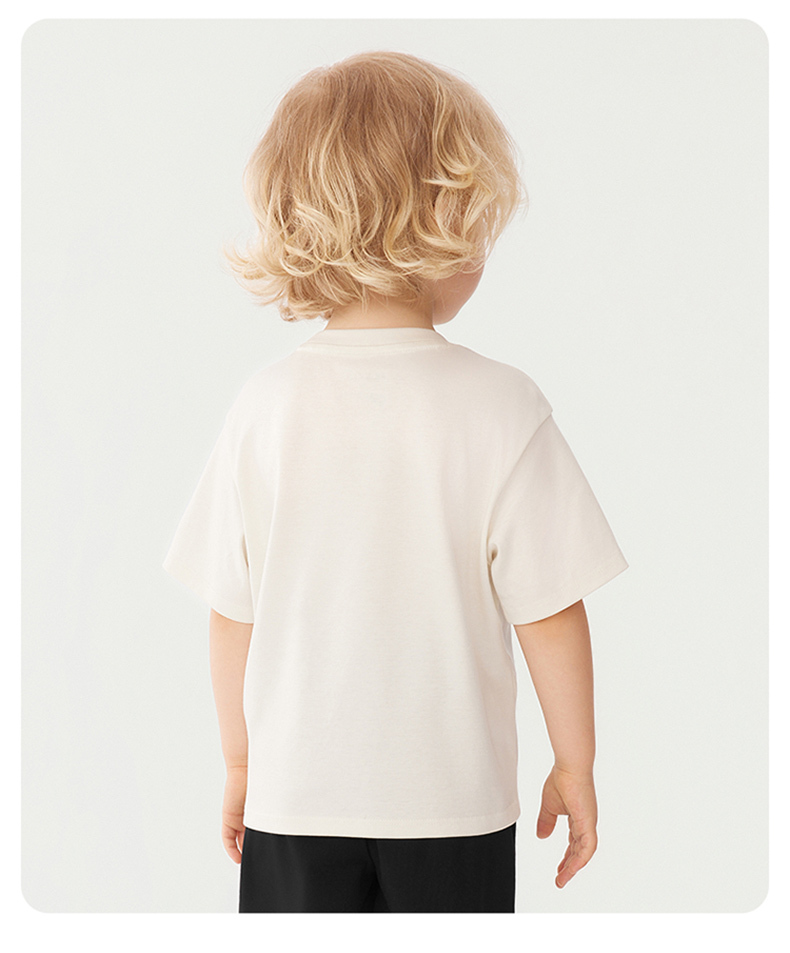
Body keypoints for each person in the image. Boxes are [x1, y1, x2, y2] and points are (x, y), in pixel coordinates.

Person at [162, 50, 628, 914]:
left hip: (294, 801)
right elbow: (550, 609)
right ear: (449, 220)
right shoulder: (503, 407)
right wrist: (576, 761)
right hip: (454, 805)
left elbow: (233, 610)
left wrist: (240, 762)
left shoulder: (264, 406)